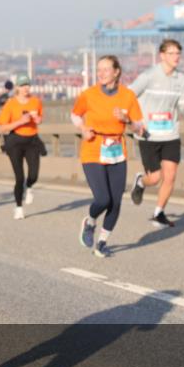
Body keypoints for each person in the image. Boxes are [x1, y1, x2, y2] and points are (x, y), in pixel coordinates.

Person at [71, 55, 144, 258]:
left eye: (106, 69)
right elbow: (75, 114)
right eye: (99, 70)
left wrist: (127, 119)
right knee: (103, 199)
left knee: (116, 201)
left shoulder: (128, 96)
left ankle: (102, 242)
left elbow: (139, 127)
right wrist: (83, 127)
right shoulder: (89, 94)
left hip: (116, 149)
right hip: (93, 147)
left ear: (116, 71)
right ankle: (90, 221)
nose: (101, 73)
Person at [128, 39, 184, 228]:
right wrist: (134, 121)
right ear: (162, 55)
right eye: (172, 53)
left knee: (171, 175)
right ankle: (141, 181)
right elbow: (128, 96)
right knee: (155, 177)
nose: (176, 57)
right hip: (148, 134)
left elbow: (183, 109)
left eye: (178, 54)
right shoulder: (149, 76)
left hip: (170, 134)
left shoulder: (181, 79)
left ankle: (159, 213)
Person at [0, 75, 43, 219]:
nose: (25, 88)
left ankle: (29, 187)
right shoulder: (10, 104)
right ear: (17, 87)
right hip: (15, 141)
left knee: (34, 175)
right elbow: (3, 128)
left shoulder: (36, 102)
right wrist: (20, 122)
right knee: (19, 177)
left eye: (27, 85)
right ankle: (18, 207)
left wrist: (37, 119)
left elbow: (40, 119)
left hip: (32, 141)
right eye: (22, 85)